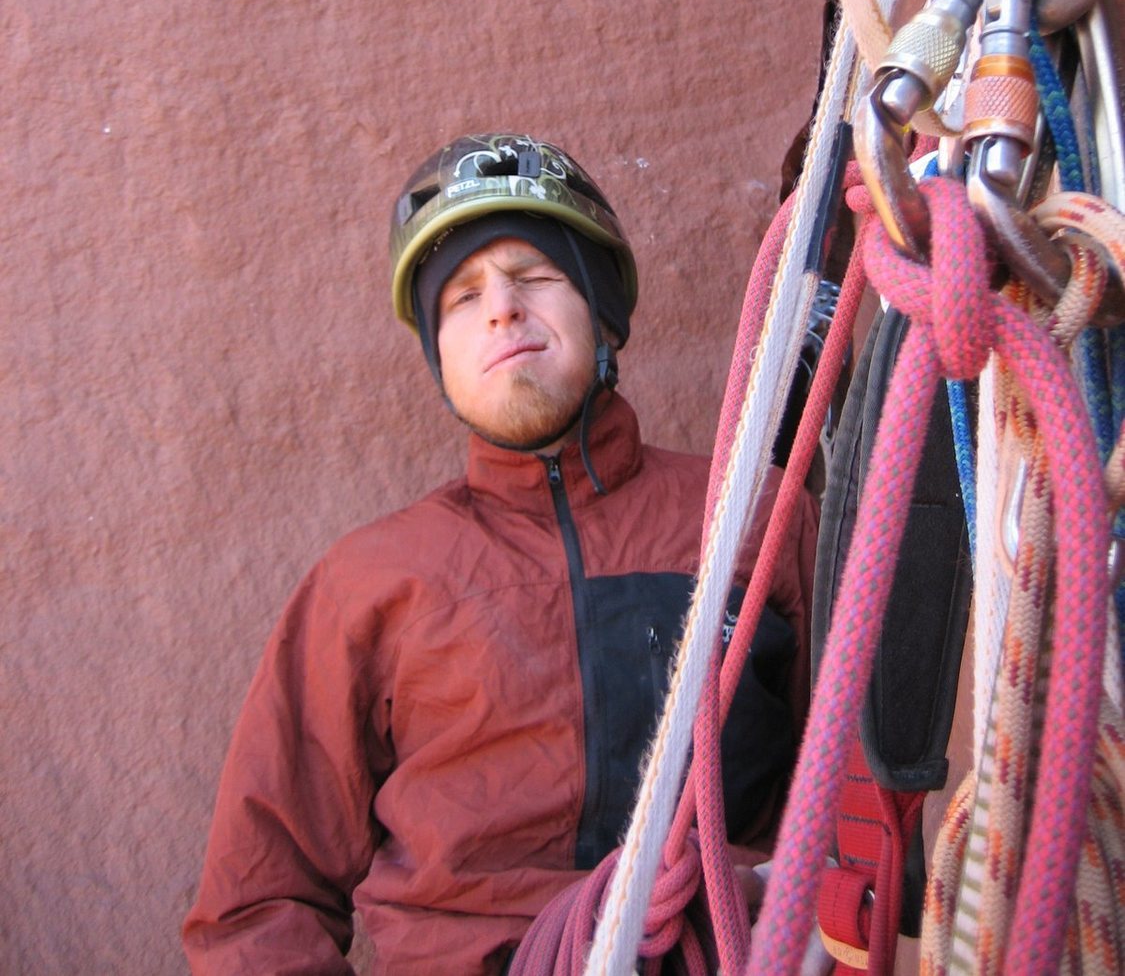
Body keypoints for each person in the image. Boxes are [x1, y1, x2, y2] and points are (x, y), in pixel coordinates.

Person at [183, 132, 819, 975]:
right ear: (439, 361)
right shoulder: (370, 582)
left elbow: (854, 803)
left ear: (601, 312)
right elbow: (258, 905)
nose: (501, 309)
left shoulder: (758, 518)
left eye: (534, 277)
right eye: (461, 299)